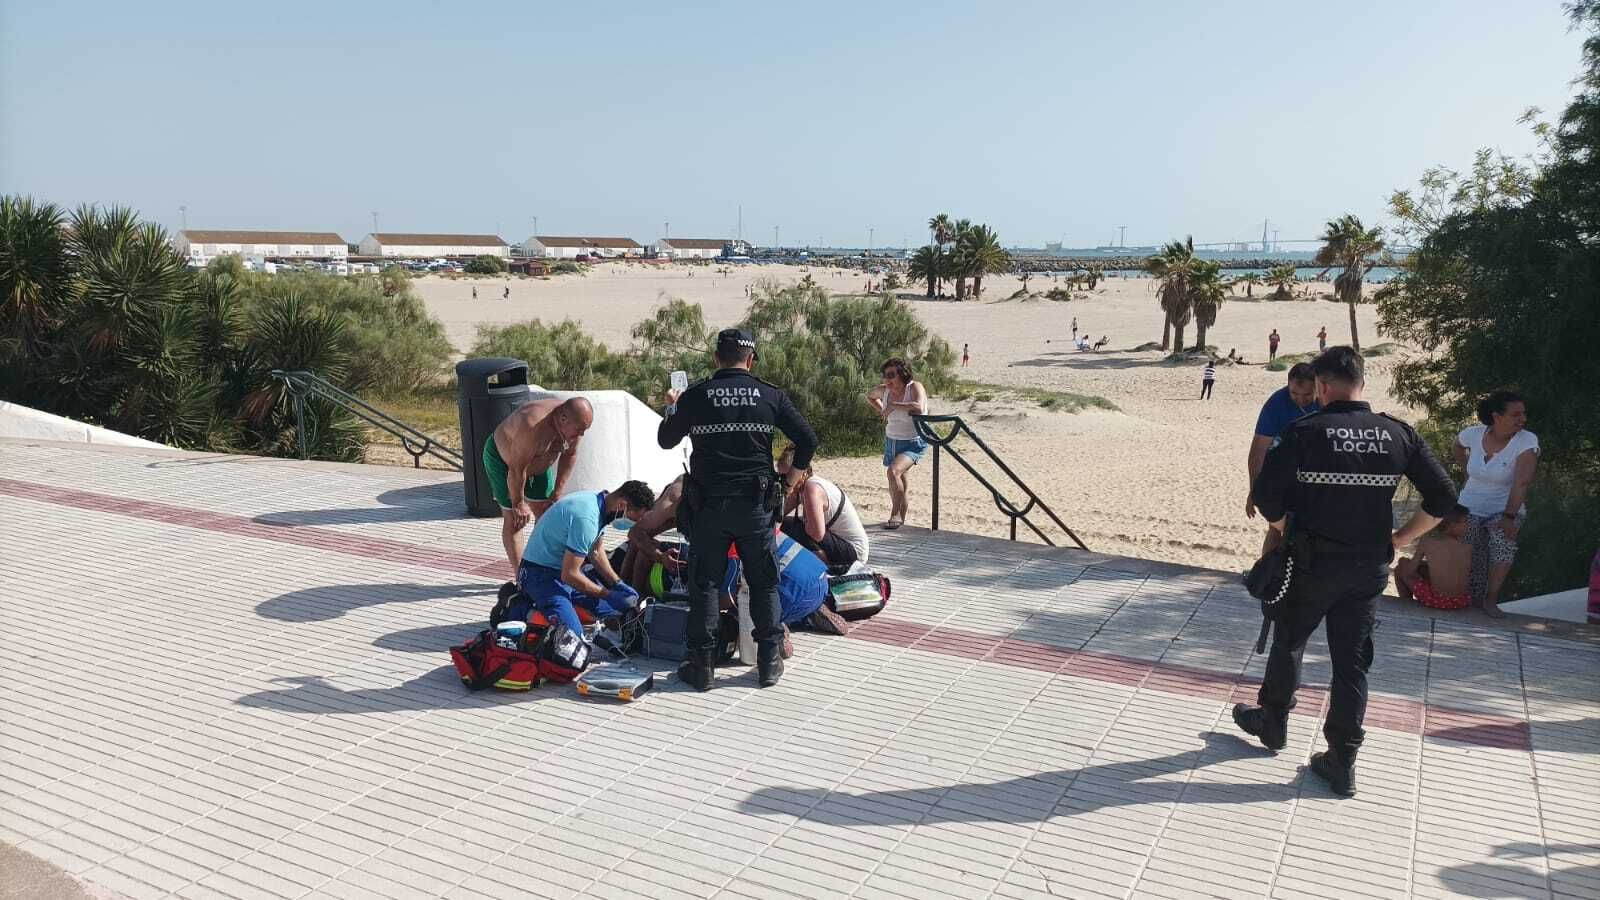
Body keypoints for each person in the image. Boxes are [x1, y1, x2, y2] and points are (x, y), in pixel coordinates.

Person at [1232, 346, 1457, 798]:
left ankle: (1272, 722)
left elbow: (1268, 496)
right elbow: (1444, 496)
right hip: (1368, 567)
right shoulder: (1397, 434)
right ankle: (1341, 762)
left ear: (1322, 386)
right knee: (1351, 665)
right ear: (1362, 383)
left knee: (1289, 641)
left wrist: (1284, 528)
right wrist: (1400, 539)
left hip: (1312, 563)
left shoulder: (1304, 432)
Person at [657, 328, 818, 690]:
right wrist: (789, 482)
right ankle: (768, 663)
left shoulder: (697, 396)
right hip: (755, 506)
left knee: (705, 584)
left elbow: (667, 439)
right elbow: (807, 439)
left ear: (716, 358)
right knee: (763, 583)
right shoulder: (770, 395)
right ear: (751, 359)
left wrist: (673, 405)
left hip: (709, 506)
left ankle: (702, 667)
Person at [513, 481, 657, 637]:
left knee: (614, 613)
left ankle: (563, 607)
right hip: (538, 575)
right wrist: (608, 594)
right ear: (622, 505)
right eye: (633, 519)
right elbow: (570, 575)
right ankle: (520, 608)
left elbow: (595, 551)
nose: (632, 524)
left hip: (561, 571)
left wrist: (617, 583)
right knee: (571, 637)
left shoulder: (600, 503)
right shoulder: (587, 519)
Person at [1453, 390, 1538, 618]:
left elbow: (1522, 482)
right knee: (1471, 550)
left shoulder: (1527, 441)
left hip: (1505, 507)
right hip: (1469, 505)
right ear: (1496, 416)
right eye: (1516, 414)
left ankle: (1491, 600)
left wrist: (1509, 517)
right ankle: (1471, 600)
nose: (1523, 419)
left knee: (1502, 544)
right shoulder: (1473, 434)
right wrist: (1466, 471)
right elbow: (1457, 446)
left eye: (1524, 413)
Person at [486, 397, 593, 575]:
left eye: (584, 430)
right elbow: (516, 468)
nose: (581, 435)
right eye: (579, 430)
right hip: (505, 462)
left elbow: (570, 455)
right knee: (514, 519)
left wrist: (557, 492)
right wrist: (518, 503)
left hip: (540, 462)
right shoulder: (532, 424)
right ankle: (521, 574)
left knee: (546, 514)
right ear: (563, 419)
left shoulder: (574, 424)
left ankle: (539, 566)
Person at [1246, 363, 1320, 553]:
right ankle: (1266, 573)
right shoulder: (1277, 403)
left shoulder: (1326, 402)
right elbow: (1258, 449)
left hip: (1316, 471)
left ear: (1318, 387)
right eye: (1294, 393)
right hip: (1282, 469)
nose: (1300, 400)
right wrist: (1255, 488)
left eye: (1307, 395)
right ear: (1288, 385)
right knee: (1275, 527)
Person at [776, 445, 870, 572]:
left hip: (854, 553)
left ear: (802, 473)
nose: (784, 481)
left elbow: (816, 533)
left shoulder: (812, 488)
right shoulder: (801, 486)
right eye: (781, 477)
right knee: (785, 524)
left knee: (801, 530)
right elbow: (778, 514)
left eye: (787, 476)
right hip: (838, 543)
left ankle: (824, 570)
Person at [866, 358, 928, 530]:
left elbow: (919, 406)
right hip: (892, 441)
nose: (887, 380)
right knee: (901, 479)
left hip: (913, 441)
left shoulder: (914, 387)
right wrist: (882, 409)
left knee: (893, 472)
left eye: (891, 375)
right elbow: (870, 396)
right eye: (885, 376)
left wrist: (892, 405)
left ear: (902, 374)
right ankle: (902, 518)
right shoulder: (884, 390)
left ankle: (895, 513)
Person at [1394, 505, 1473, 609]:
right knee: (1422, 567)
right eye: (1465, 521)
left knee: (1400, 567)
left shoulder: (1427, 541)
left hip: (1438, 600)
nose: (1469, 525)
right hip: (1462, 601)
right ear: (1451, 525)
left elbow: (1409, 571)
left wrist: (1403, 562)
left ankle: (1407, 605)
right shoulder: (1468, 546)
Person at [620, 475, 685, 597]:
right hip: (675, 505)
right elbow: (635, 533)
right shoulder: (673, 502)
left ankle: (630, 590)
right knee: (645, 540)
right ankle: (631, 594)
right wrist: (660, 557)